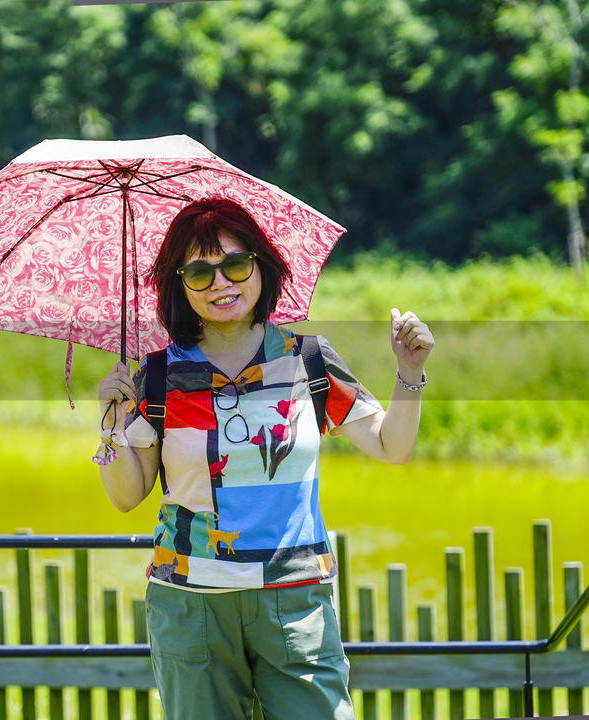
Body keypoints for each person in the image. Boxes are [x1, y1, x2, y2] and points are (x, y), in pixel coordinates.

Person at [95, 197, 434, 719]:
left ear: (260, 265)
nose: (221, 284)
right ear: (178, 284)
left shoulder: (308, 359)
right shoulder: (159, 375)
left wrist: (408, 370)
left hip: (295, 599)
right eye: (199, 272)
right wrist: (112, 420)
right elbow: (125, 496)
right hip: (191, 604)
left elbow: (392, 446)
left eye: (234, 264)